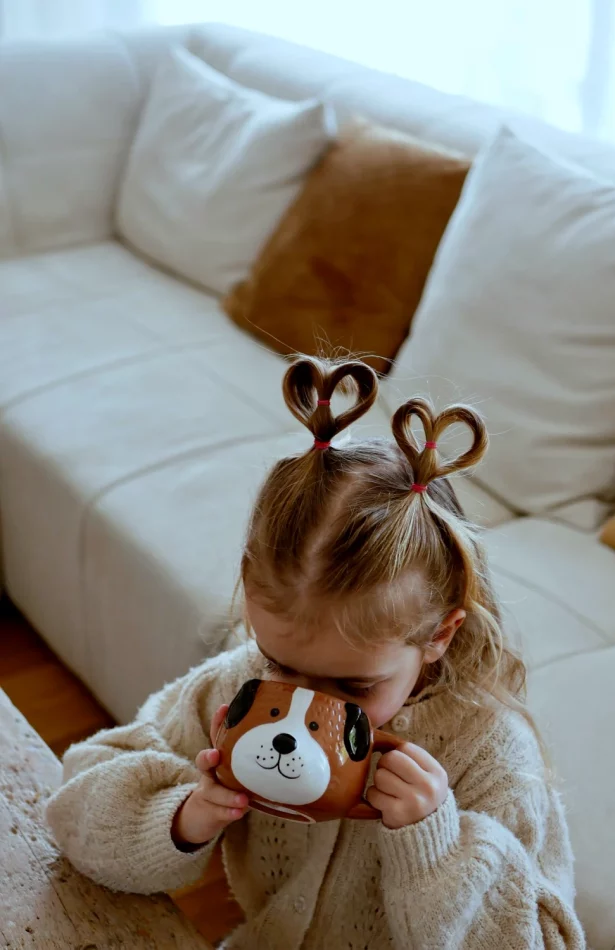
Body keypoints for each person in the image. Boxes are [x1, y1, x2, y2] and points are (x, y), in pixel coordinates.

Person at [46, 356, 586, 950]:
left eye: (354, 688)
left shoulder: (490, 755)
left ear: (440, 635)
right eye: (281, 664)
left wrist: (438, 847)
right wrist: (186, 814)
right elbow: (74, 809)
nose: (306, 700)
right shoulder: (239, 689)